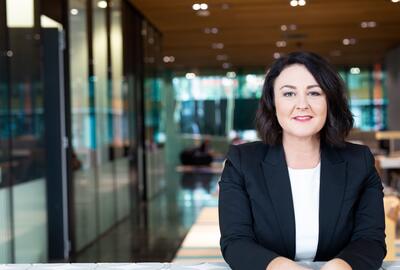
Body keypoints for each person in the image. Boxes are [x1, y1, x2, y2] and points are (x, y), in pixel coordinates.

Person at [218, 52, 386, 270]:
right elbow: (235, 242)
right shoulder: (242, 162)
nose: (302, 104)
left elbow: (370, 240)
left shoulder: (359, 162)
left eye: (314, 93)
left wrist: (341, 267)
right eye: (288, 93)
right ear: (272, 102)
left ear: (330, 101)